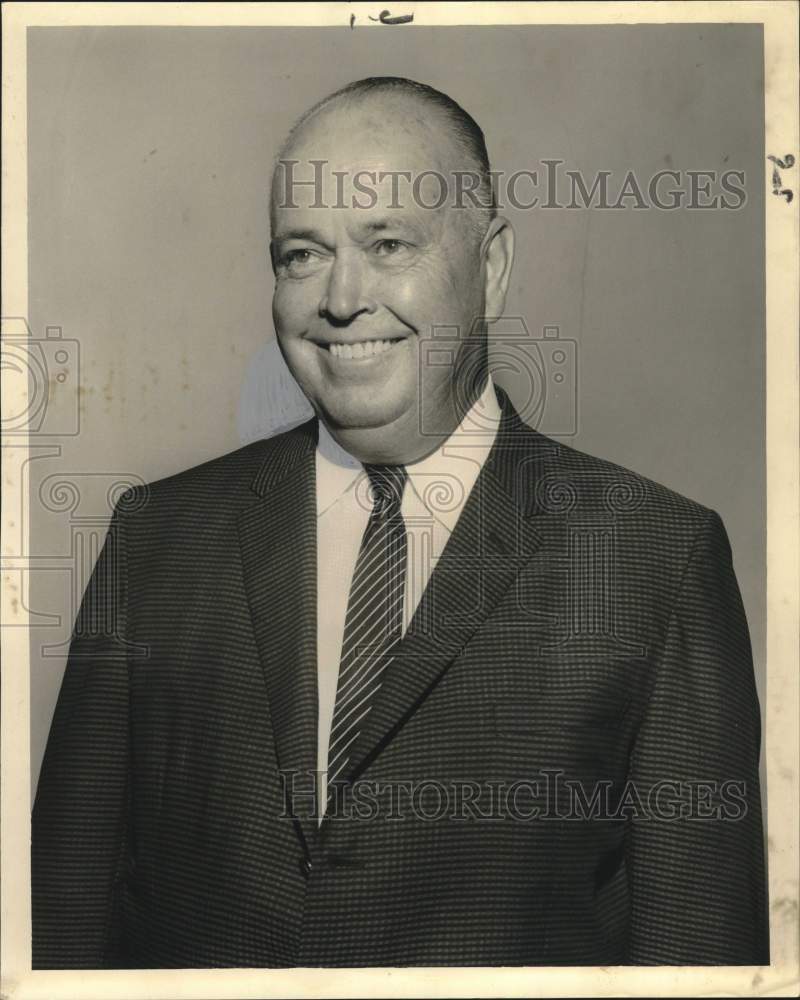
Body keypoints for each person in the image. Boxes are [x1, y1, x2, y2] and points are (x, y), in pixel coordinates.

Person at [32, 76, 768, 968]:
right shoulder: (156, 536)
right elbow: (60, 922)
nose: (342, 298)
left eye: (388, 244)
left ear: (491, 268)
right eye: (303, 254)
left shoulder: (656, 558)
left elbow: (700, 954)